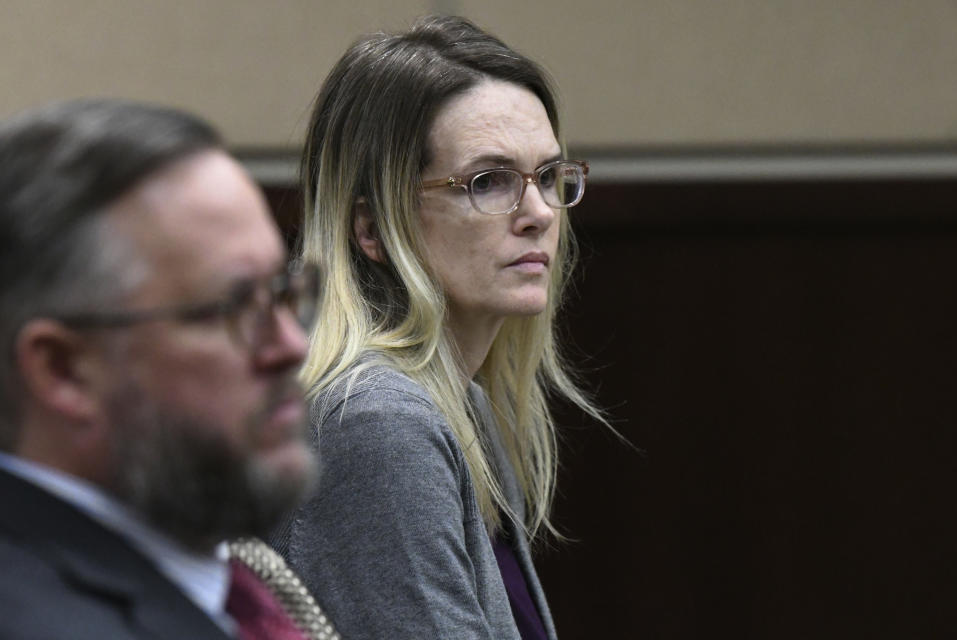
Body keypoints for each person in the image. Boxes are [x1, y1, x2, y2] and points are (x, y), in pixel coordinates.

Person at [272, 15, 605, 640]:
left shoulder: (455, 399)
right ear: (371, 227)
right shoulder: (376, 420)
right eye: (489, 181)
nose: (538, 213)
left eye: (549, 177)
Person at [0, 99, 334, 639]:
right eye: (231, 307)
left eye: (282, 292)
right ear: (63, 369)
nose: (291, 345)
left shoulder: (217, 587)